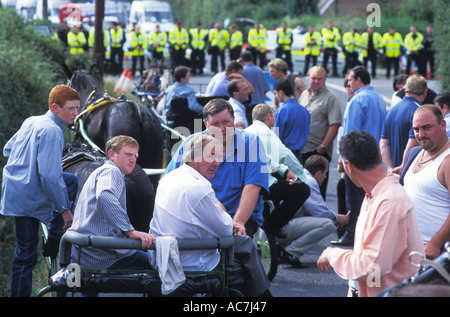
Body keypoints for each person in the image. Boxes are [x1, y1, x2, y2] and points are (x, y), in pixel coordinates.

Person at [150, 134, 272, 297]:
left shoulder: (169, 178)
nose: (217, 162)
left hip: (166, 256)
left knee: (243, 249)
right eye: (211, 156)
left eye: (219, 156)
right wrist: (232, 224)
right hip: (190, 262)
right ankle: (263, 295)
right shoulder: (199, 187)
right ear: (192, 158)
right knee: (243, 252)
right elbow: (226, 231)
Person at [317, 130, 424, 297]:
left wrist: (332, 254)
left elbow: (373, 265)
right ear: (379, 155)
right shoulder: (377, 194)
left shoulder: (388, 202)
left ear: (349, 166)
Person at [1, 85, 80, 297]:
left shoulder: (32, 120)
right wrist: (64, 210)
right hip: (26, 196)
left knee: (70, 180)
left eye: (77, 108)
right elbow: (48, 176)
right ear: (55, 108)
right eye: (71, 108)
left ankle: (53, 236)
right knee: (26, 255)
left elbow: (8, 149)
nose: (76, 113)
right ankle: (55, 239)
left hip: (16, 187)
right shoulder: (53, 131)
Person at [162, 98, 269, 237]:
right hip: (198, 219)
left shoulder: (251, 143)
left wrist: (237, 224)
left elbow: (253, 186)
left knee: (234, 253)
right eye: (215, 124)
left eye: (226, 122)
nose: (222, 129)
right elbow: (169, 181)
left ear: (234, 119)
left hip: (238, 217)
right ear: (206, 124)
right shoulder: (191, 143)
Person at [68, 135, 156, 271]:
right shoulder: (111, 171)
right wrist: (130, 231)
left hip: (85, 253)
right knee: (160, 268)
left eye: (135, 156)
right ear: (111, 154)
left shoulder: (103, 171)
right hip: (103, 256)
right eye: (128, 154)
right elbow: (104, 195)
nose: (133, 160)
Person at [333, 66, 386, 247]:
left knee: (354, 198)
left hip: (356, 156)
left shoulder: (358, 99)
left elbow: (351, 133)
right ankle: (367, 233)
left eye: (350, 79)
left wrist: (343, 157)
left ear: (359, 80)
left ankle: (351, 234)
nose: (348, 82)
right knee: (369, 197)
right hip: (374, 155)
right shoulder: (378, 98)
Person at [245, 104, 311, 239]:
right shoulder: (268, 133)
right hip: (262, 184)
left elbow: (262, 159)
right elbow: (286, 156)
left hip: (245, 183)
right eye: (274, 116)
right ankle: (272, 225)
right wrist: (300, 176)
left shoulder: (245, 131)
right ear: (269, 116)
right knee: (303, 190)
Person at [277, 155, 347, 268]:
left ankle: (282, 249)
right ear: (319, 173)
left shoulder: (301, 175)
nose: (325, 177)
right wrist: (337, 218)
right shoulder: (309, 181)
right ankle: (290, 253)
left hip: (278, 227)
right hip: (281, 229)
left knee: (323, 221)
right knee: (327, 224)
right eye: (325, 173)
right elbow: (320, 212)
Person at [400, 104, 450, 260]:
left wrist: (435, 243)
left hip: (434, 255)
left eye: (427, 127)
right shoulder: (414, 153)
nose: (421, 134)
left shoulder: (447, 161)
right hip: (406, 250)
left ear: (443, 125)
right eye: (416, 129)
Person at [299, 66, 342, 199]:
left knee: (317, 193)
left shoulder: (331, 98)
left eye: (320, 79)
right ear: (308, 78)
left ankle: (319, 219)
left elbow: (334, 124)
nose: (316, 81)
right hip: (303, 149)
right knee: (302, 191)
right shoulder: (304, 94)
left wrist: (323, 146)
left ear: (324, 80)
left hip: (318, 151)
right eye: (313, 78)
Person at [380, 74, 427, 174]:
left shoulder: (392, 110)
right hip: (411, 170)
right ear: (425, 92)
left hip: (394, 171)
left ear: (405, 90)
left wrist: (389, 167)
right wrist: (403, 166)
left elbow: (383, 142)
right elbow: (412, 143)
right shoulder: (418, 111)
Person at [273, 78, 311, 162]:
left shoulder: (282, 110)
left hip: (285, 154)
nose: (276, 96)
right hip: (300, 154)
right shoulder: (305, 111)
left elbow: (275, 136)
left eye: (276, 93)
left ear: (281, 92)